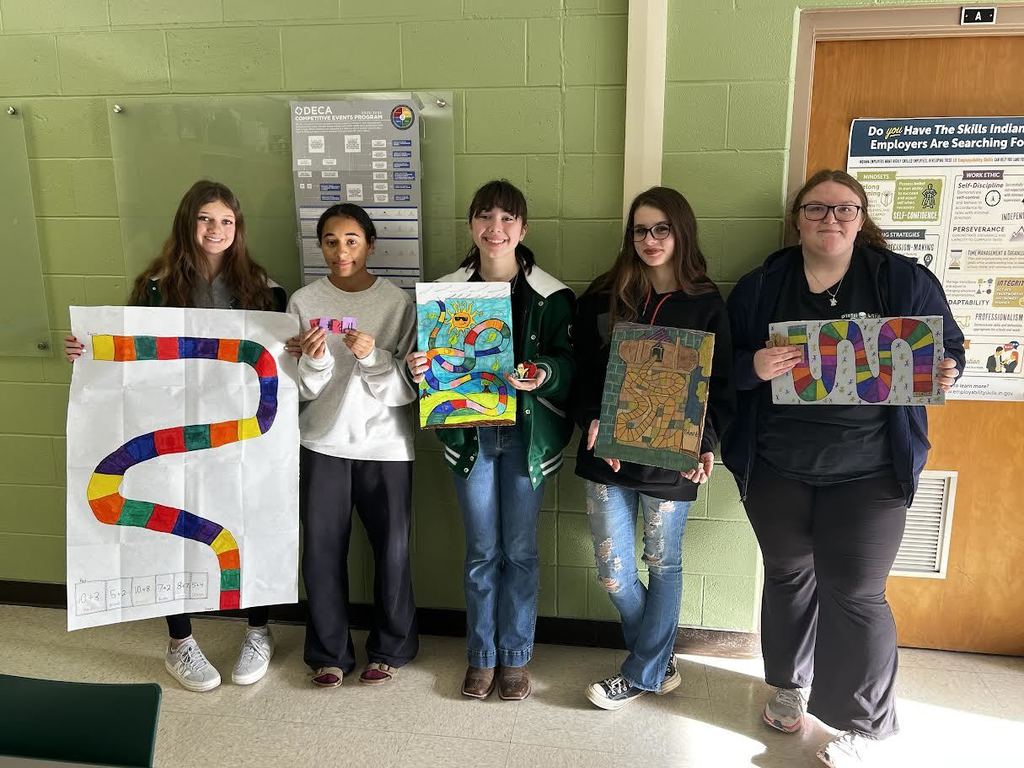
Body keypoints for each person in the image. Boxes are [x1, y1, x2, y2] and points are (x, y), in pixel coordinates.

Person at [721, 169, 964, 767]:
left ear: (861, 218)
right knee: (787, 577)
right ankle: (787, 684)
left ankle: (867, 725)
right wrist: (754, 365)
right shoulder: (762, 285)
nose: (831, 221)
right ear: (797, 219)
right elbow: (721, 370)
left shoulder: (902, 280)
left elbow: (949, 348)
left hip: (871, 472)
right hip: (778, 466)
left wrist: (946, 368)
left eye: (844, 210)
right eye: (816, 210)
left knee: (856, 592)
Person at [64, 179, 287, 692]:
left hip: (239, 438)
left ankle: (258, 629)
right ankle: (180, 641)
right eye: (206, 219)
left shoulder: (264, 289)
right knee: (175, 521)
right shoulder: (156, 287)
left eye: (227, 221)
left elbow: (278, 360)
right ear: (188, 223)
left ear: (238, 229)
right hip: (172, 432)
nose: (216, 230)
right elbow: (131, 357)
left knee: (249, 517)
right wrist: (91, 352)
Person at [406, 180, 574, 701]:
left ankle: (516, 658)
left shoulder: (552, 295)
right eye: (485, 217)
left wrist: (544, 372)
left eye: (507, 219)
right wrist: (419, 368)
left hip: (526, 441)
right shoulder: (445, 293)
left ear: (523, 229)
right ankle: (481, 656)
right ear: (471, 225)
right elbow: (432, 367)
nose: (495, 228)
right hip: (472, 438)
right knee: (481, 551)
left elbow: (572, 368)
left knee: (520, 552)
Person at [570, 186, 734, 710]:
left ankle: (640, 672)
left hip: (673, 458)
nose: (650, 239)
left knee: (663, 564)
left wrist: (707, 442)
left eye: (661, 228)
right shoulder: (604, 296)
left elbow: (720, 383)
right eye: (640, 230)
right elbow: (580, 375)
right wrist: (590, 419)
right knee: (614, 571)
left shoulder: (707, 302)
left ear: (681, 232)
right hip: (608, 455)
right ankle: (660, 662)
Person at [286, 203, 419, 688]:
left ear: (370, 244)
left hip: (386, 444)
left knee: (394, 551)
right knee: (321, 552)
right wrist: (318, 362)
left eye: (351, 240)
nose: (341, 251)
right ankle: (328, 653)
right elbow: (297, 388)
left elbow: (408, 388)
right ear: (320, 246)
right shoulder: (302, 301)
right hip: (322, 441)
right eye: (331, 241)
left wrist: (373, 356)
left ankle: (391, 648)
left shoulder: (397, 303)